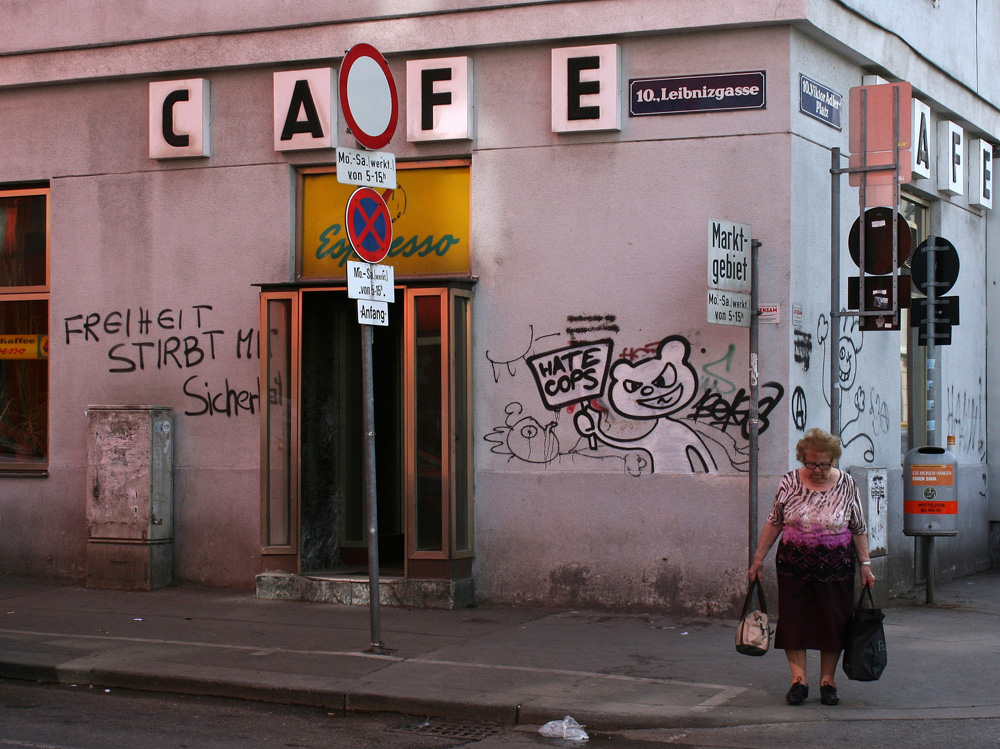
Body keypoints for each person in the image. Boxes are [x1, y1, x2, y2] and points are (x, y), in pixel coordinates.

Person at [748, 427, 875, 706]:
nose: (816, 469)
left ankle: (827, 682)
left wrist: (866, 565)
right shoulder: (789, 482)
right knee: (795, 622)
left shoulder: (847, 484)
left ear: (833, 460)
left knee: (834, 623)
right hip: (794, 566)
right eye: (810, 463)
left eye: (823, 464)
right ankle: (799, 682)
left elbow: (858, 528)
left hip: (836, 568)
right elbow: (774, 521)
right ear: (801, 458)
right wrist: (758, 559)